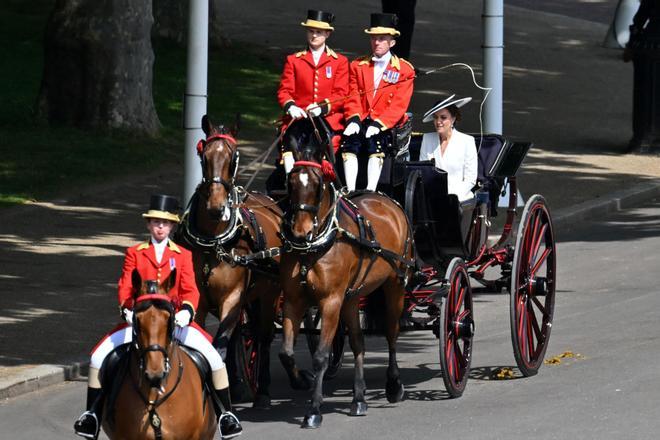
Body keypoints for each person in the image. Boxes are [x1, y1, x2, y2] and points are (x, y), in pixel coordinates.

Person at [73, 194, 242, 440]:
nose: (160, 227)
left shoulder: (182, 254)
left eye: (164, 223)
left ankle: (226, 414)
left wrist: (186, 311)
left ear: (172, 226)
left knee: (215, 359)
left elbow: (190, 289)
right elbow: (124, 286)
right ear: (149, 225)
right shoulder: (135, 253)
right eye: (155, 222)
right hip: (140, 321)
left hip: (175, 322)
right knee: (99, 357)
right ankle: (92, 415)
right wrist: (127, 309)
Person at [342, 13, 415, 191]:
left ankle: (371, 190)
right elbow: (352, 95)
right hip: (361, 118)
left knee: (376, 143)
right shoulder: (357, 66)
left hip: (384, 123)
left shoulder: (404, 70)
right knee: (349, 142)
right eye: (374, 38)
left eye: (382, 39)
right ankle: (350, 190)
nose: (377, 43)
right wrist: (353, 118)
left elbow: (399, 104)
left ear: (392, 42)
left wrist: (379, 123)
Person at [277, 9, 349, 173]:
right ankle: (291, 182)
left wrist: (322, 108)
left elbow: (341, 94)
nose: (314, 35)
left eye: (318, 32)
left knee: (321, 146)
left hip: (326, 120)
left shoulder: (340, 62)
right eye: (311, 31)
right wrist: (291, 106)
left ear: (327, 34)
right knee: (289, 145)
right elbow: (285, 90)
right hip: (298, 119)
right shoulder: (294, 60)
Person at [419, 95, 478, 201]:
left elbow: (470, 179)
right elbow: (423, 172)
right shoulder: (427, 139)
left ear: (453, 119)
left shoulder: (467, 141)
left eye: (443, 117)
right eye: (436, 117)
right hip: (431, 197)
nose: (438, 121)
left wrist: (452, 197)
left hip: (458, 198)